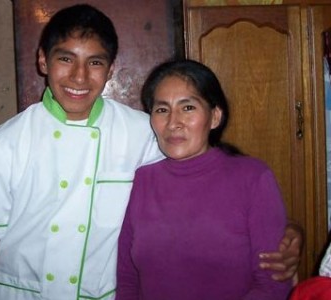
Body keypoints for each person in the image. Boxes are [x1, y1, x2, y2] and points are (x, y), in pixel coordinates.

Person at [0, 4, 300, 300]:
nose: (79, 76)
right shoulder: (9, 140)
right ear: (43, 61)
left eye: (95, 63)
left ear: (111, 69)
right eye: (65, 59)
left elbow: (208, 172)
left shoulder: (141, 130)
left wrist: (287, 230)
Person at [116, 59, 293, 299]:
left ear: (215, 117)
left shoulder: (253, 178)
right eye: (162, 109)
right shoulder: (142, 181)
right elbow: (128, 278)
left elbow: (272, 284)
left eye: (187, 108)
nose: (173, 122)